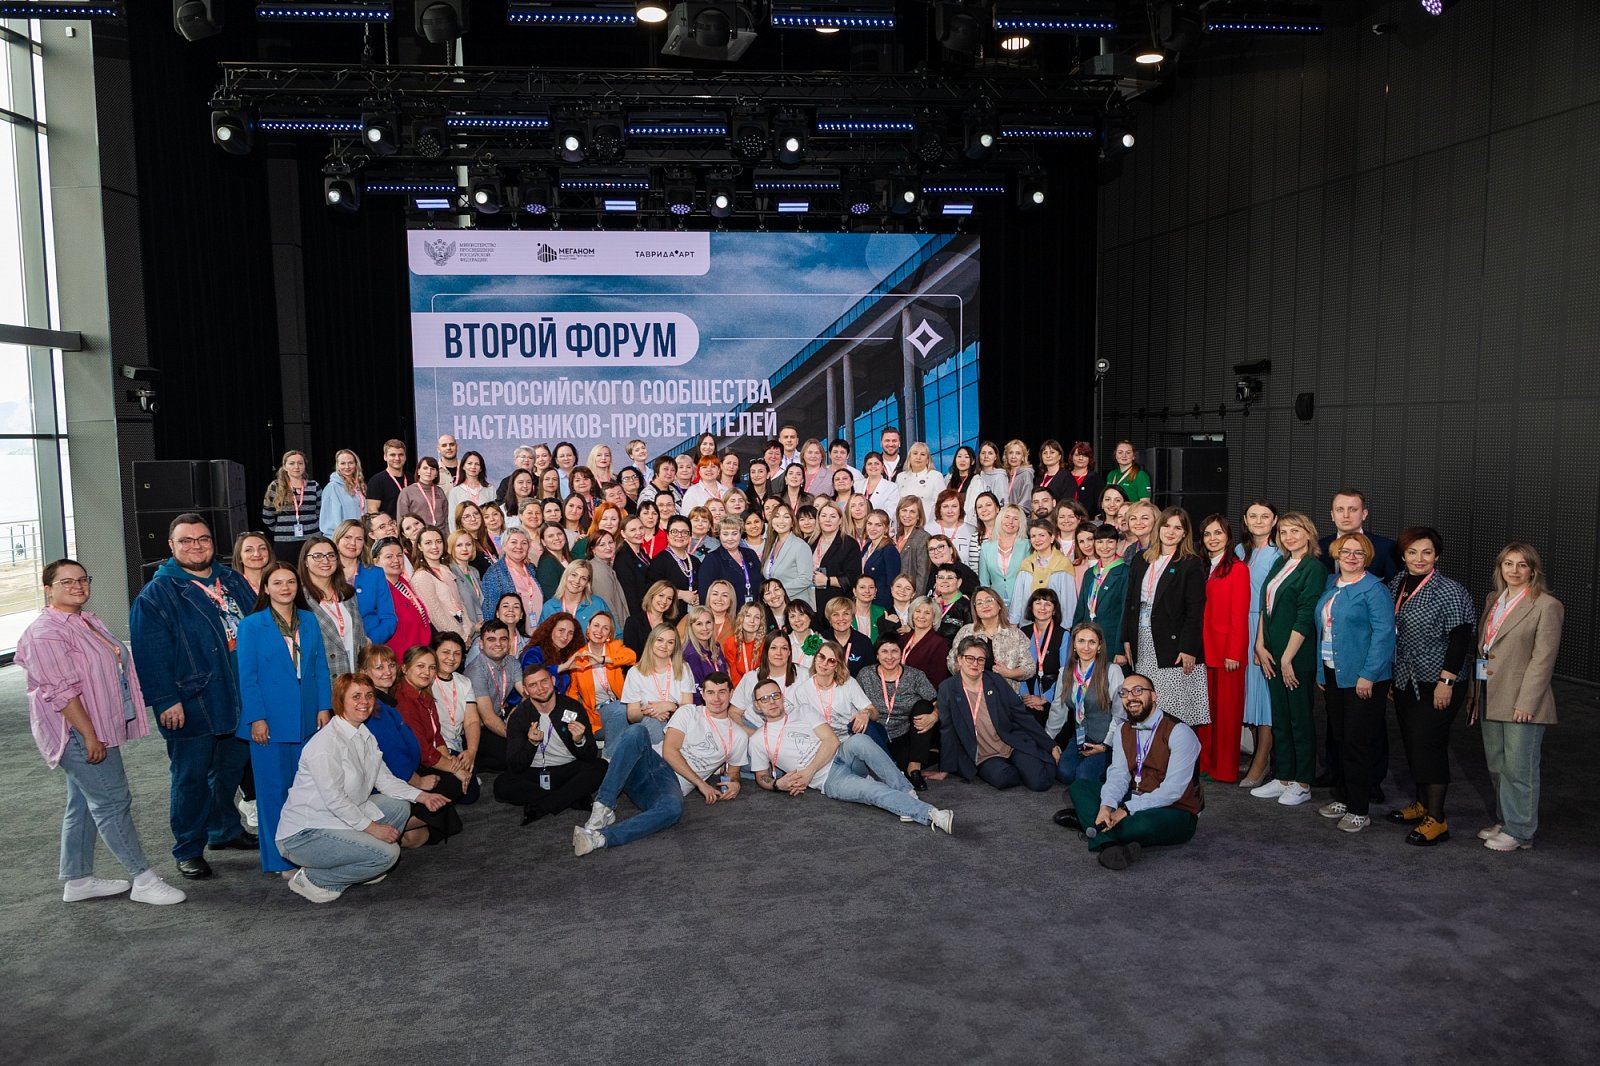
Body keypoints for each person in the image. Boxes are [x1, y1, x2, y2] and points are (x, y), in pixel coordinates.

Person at [17, 559, 187, 905]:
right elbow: (62, 693)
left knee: (83, 802)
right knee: (112, 801)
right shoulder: (45, 632)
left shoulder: (85, 620)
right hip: (77, 731)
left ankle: (78, 880)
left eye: (82, 579)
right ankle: (143, 879)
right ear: (48, 589)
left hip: (96, 727)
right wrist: (89, 736)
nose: (77, 586)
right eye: (66, 582)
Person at [129, 513, 258, 880]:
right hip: (192, 700)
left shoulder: (231, 579)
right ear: (171, 546)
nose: (196, 546)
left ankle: (224, 830)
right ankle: (187, 848)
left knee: (230, 770)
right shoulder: (157, 594)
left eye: (203, 539)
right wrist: (165, 700)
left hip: (239, 695)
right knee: (191, 778)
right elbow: (150, 655)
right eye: (186, 540)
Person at [274, 673, 453, 903]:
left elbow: (384, 780)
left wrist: (422, 796)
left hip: (337, 819)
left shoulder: (363, 733)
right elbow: (335, 800)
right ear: (340, 701)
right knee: (389, 855)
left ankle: (362, 862)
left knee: (399, 806)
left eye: (369, 695)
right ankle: (314, 878)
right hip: (305, 834)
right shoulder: (325, 744)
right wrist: (372, 829)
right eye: (356, 696)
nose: (364, 702)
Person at [573, 672, 750, 856]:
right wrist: (701, 783)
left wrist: (735, 783)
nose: (717, 698)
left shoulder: (738, 736)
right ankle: (603, 806)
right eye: (711, 692)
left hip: (667, 786)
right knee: (637, 732)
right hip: (651, 763)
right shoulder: (689, 712)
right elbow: (670, 752)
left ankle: (599, 838)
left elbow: (733, 772)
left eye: (722, 692)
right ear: (703, 694)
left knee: (673, 809)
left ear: (731, 693)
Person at [750, 679, 954, 832]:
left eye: (775, 695)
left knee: (860, 740)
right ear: (757, 706)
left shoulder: (802, 711)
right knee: (872, 790)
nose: (772, 701)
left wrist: (808, 772)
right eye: (764, 699)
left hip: (841, 754)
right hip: (830, 779)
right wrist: (777, 784)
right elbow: (761, 776)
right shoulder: (758, 740)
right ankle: (932, 814)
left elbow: (831, 741)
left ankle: (906, 793)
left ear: (782, 697)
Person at [236, 561, 332, 874]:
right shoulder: (251, 625)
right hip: (270, 721)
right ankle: (278, 860)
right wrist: (256, 718)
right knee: (273, 793)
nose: (285, 588)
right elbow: (247, 677)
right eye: (277, 583)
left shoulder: (309, 619)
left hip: (306, 717)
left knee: (304, 790)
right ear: (265, 588)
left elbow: (319, 667)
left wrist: (324, 706)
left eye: (290, 582)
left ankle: (306, 853)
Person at [1385, 527, 1477, 846]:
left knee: (1430, 744)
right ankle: (1422, 804)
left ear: (1437, 555)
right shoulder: (1397, 583)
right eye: (1412, 552)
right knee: (1413, 742)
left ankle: (1437, 819)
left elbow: (1461, 638)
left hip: (1438, 680)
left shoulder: (1450, 590)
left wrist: (1446, 681)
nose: (1419, 558)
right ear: (1403, 555)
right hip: (1405, 677)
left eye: (1427, 552)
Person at [1061, 673, 1201, 870]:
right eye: (1124, 693)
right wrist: (1107, 806)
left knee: (1141, 825)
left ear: (1154, 696)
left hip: (1175, 810)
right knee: (1079, 787)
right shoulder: (1122, 730)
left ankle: (1091, 824)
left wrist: (1126, 809)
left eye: (1138, 690)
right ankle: (1108, 843)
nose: (1131, 697)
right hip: (1136, 795)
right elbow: (1118, 775)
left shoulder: (1180, 732)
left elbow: (1172, 792)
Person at [1475, 543, 1562, 853]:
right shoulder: (1493, 600)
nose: (1514, 570)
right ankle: (1506, 820)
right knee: (1497, 765)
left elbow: (1543, 660)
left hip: (1522, 701)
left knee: (1519, 769)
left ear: (1533, 570)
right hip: (1490, 694)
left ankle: (1521, 831)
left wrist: (1527, 703)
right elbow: (1484, 649)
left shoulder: (1546, 605)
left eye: (1522, 565)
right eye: (1508, 564)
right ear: (1500, 568)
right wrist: (1475, 693)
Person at [1313, 533, 1397, 834]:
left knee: (1357, 743)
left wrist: (1368, 675)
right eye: (1345, 551)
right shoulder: (1331, 585)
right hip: (1334, 673)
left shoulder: (1374, 589)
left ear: (1367, 557)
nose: (1351, 557)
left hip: (1363, 678)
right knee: (1340, 739)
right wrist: (1321, 672)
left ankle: (1359, 809)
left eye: (1358, 553)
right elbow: (1324, 632)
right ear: (1336, 554)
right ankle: (1344, 797)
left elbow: (1384, 635)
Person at [1249, 513, 1326, 808]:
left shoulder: (1313, 568)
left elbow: (1305, 616)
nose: (1289, 537)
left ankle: (1302, 782)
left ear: (1308, 533)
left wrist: (1286, 659)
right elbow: (1265, 607)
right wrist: (1260, 645)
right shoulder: (1280, 564)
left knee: (1299, 719)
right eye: (1283, 532)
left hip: (1295, 657)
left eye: (1295, 531)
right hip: (1272, 653)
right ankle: (1283, 776)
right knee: (1280, 718)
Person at [1120, 507, 1210, 729]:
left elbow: (1195, 610)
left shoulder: (1190, 563)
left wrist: (1188, 647)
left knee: (1174, 710)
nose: (1171, 532)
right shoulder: (1141, 559)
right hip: (1142, 640)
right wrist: (1127, 638)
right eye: (1167, 526)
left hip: (1174, 644)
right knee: (1146, 704)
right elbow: (1129, 602)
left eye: (1177, 528)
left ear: (1184, 533)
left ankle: (1178, 750)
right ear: (1158, 528)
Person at [938, 635, 1060, 790]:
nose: (975, 663)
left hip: (1010, 744)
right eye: (969, 658)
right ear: (959, 660)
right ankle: (1022, 768)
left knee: (1040, 782)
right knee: (1003, 779)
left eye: (980, 659)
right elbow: (947, 729)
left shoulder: (995, 681)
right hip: (984, 755)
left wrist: (1049, 744)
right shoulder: (947, 688)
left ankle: (1030, 764)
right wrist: (945, 768)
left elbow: (1021, 715)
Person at [496, 663, 607, 823]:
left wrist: (579, 740)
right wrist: (531, 743)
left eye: (544, 681)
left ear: (553, 681)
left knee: (600, 767)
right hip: (534, 772)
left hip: (567, 768)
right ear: (526, 690)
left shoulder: (572, 708)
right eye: (533, 685)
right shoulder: (519, 717)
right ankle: (571, 798)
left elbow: (590, 755)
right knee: (502, 785)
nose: (540, 688)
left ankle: (542, 806)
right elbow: (515, 765)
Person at [1199, 516, 1250, 783]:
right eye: (1208, 534)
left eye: (1218, 533)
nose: (1213, 538)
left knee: (1228, 715)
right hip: (1204, 649)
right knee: (1205, 712)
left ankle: (1225, 769)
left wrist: (1234, 652)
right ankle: (1205, 763)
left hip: (1227, 652)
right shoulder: (1202, 565)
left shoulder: (1238, 569)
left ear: (1228, 537)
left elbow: (1239, 615)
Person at [1047, 622, 1126, 791]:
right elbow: (1058, 709)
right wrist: (1048, 741)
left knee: (1083, 777)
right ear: (1074, 645)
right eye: (1081, 641)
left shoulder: (1112, 671)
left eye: (1092, 642)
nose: (1086, 647)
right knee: (1064, 774)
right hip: (1080, 738)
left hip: (1106, 741)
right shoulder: (1065, 672)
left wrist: (1106, 745)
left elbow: (1120, 714)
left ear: (1099, 646)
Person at [393, 645, 477, 803]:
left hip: (429, 755)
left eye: (432, 668)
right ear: (404, 668)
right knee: (456, 784)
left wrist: (449, 759)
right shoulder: (403, 700)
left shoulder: (425, 693)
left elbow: (436, 735)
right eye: (420, 666)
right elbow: (423, 750)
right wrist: (454, 769)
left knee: (470, 787)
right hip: (412, 765)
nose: (427, 672)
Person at [1236, 501, 1281, 788]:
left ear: (1275, 520)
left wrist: (1262, 639)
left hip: (1264, 626)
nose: (1259, 521)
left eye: (1265, 516)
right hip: (1241, 625)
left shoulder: (1280, 553)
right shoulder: (1240, 551)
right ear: (1245, 519)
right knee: (1248, 694)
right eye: (1253, 516)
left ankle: (1262, 761)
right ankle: (1255, 753)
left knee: (1264, 697)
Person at [856, 637, 939, 789]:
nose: (889, 656)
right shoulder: (865, 674)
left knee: (925, 706)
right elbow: (854, 702)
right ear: (877, 655)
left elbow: (936, 701)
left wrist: (934, 716)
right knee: (893, 765)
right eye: (884, 651)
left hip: (903, 732)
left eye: (894, 651)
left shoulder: (915, 676)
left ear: (901, 654)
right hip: (876, 732)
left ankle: (914, 768)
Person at [608, 623, 697, 744]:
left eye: (670, 642)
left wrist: (670, 706)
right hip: (648, 722)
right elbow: (632, 715)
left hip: (678, 722)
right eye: (660, 640)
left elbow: (688, 707)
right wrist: (652, 711)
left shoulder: (683, 668)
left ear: (675, 646)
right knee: (651, 723)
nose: (664, 646)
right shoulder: (635, 672)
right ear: (651, 641)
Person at [788, 640, 885, 749]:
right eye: (821, 657)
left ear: (838, 666)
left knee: (866, 730)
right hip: (822, 744)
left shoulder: (848, 683)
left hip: (850, 740)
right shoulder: (802, 691)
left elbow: (875, 714)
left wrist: (866, 713)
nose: (824, 663)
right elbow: (801, 726)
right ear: (815, 658)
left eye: (831, 661)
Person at [298, 535, 369, 680]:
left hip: (354, 677)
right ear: (305, 561)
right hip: (323, 680)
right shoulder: (299, 599)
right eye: (317, 556)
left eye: (331, 555)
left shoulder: (348, 594)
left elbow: (360, 638)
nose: (325, 561)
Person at [946, 586, 1035, 693]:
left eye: (989, 600)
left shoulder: (1016, 634)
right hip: (970, 693)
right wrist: (966, 671)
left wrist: (1010, 673)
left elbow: (1029, 668)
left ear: (999, 605)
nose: (985, 605)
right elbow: (951, 661)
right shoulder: (966, 631)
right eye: (979, 603)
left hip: (1005, 695)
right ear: (975, 609)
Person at [562, 611, 636, 737]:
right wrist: (569, 726)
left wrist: (602, 659)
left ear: (609, 634)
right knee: (623, 706)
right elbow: (571, 695)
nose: (599, 631)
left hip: (621, 709)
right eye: (596, 625)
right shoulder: (578, 658)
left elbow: (631, 657)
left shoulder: (614, 647)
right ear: (588, 628)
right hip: (597, 715)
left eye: (605, 628)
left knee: (640, 725)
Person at [465, 619, 516, 772]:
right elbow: (488, 719)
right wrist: (516, 737)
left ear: (509, 643)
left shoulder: (511, 662)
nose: (498, 644)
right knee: (512, 754)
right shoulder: (476, 670)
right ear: (481, 644)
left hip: (499, 714)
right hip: (477, 728)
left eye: (503, 639)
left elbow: (528, 692)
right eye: (491, 639)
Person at [430, 634, 481, 789]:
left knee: (472, 791)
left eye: (457, 653)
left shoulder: (464, 682)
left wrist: (471, 751)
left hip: (456, 746)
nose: (451, 658)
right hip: (434, 748)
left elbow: (472, 720)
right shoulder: (426, 679)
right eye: (446, 652)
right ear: (434, 653)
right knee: (458, 788)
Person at [732, 629, 809, 727]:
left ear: (789, 652)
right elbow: (734, 712)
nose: (779, 653)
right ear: (766, 651)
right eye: (773, 648)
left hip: (793, 729)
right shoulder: (750, 677)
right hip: (755, 728)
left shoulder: (804, 675)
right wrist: (748, 732)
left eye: (784, 648)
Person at [1318, 488, 1400, 580]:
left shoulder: (1385, 548)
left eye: (1352, 509)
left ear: (1364, 514)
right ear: (1332, 515)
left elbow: (1393, 585)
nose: (1346, 515)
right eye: (1340, 510)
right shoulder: (1319, 547)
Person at [368, 537, 432, 656]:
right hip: (396, 657)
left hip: (417, 654)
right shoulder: (376, 590)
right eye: (389, 556)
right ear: (376, 561)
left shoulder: (403, 583)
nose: (396, 560)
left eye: (399, 555)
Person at [1011, 519, 1076, 626]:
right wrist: (1013, 622)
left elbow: (1068, 601)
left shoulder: (1063, 563)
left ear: (1052, 538)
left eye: (1041, 535)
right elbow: (1018, 598)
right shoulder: (1026, 563)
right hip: (1028, 625)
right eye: (1033, 536)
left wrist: (1066, 627)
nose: (1037, 539)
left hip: (1056, 626)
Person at [1017, 588, 1067, 728]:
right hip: (1026, 693)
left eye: (1048, 604)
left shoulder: (1063, 635)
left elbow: (1066, 673)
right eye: (1038, 603)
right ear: (1031, 607)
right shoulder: (1022, 632)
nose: (1042, 608)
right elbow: (1018, 666)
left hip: (1053, 694)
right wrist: (1026, 696)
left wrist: (1044, 698)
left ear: (1054, 610)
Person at [261, 449, 320, 557]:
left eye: (300, 463)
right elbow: (267, 516)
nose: (296, 467)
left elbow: (320, 512)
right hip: (285, 543)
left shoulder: (314, 486)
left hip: (312, 540)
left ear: (304, 466)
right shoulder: (276, 486)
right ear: (284, 466)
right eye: (292, 463)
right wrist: (282, 529)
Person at [697, 515, 763, 608]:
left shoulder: (750, 554)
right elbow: (705, 595)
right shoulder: (712, 559)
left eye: (734, 533)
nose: (730, 538)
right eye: (725, 534)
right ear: (719, 535)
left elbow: (761, 583)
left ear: (740, 533)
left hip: (753, 611)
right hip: (727, 614)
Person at [480, 527, 543, 623]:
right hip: (511, 631)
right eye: (514, 542)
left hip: (539, 628)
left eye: (524, 543)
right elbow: (489, 611)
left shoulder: (531, 569)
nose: (519, 546)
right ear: (504, 546)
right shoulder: (494, 573)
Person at [761, 502, 815, 610]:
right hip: (776, 607)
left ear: (792, 523)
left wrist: (779, 592)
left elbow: (806, 578)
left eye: (786, 517)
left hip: (796, 607)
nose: (781, 521)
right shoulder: (771, 545)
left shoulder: (800, 545)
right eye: (776, 516)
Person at [648, 515, 702, 610]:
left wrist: (698, 597)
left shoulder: (695, 561)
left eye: (684, 532)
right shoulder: (659, 560)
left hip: (693, 614)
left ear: (690, 536)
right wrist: (680, 594)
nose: (679, 535)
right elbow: (653, 589)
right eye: (674, 531)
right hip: (668, 614)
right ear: (667, 535)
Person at [811, 500, 860, 599]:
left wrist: (828, 581)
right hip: (809, 600)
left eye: (833, 516)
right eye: (823, 516)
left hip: (835, 602)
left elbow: (853, 579)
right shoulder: (810, 542)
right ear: (818, 519)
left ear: (840, 520)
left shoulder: (850, 544)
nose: (827, 520)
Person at [899, 596, 952, 690]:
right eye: (918, 611)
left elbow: (937, 680)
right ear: (912, 614)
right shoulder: (903, 638)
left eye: (927, 613)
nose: (921, 616)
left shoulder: (939, 644)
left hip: (921, 695)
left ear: (934, 618)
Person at [679, 605, 729, 701]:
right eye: (699, 624)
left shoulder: (716, 647)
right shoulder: (690, 654)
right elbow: (696, 693)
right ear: (690, 627)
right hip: (701, 706)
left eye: (708, 622)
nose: (705, 628)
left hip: (721, 701)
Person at [926, 491, 978, 577]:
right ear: (939, 509)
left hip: (966, 579)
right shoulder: (928, 529)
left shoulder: (972, 530)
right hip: (936, 580)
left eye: (954, 506)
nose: (950, 511)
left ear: (960, 508)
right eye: (945, 506)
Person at [821, 596, 874, 676]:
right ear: (829, 619)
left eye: (845, 614)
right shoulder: (821, 639)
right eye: (835, 614)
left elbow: (869, 674)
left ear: (852, 617)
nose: (841, 618)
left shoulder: (864, 642)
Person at [319, 449, 367, 537]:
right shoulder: (332, 487)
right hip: (342, 538)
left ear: (356, 464)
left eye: (350, 463)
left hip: (359, 535)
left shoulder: (359, 485)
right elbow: (330, 522)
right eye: (343, 463)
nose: (347, 467)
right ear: (337, 465)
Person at [723, 602, 767, 690]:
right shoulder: (731, 643)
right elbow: (734, 675)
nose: (752, 621)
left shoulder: (766, 644)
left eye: (757, 617)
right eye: (748, 616)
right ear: (741, 618)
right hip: (740, 690)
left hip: (762, 689)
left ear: (761, 622)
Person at [446, 450, 493, 525]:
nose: (473, 467)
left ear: (481, 468)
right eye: (469, 463)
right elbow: (452, 519)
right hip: (464, 531)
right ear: (463, 466)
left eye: (477, 464)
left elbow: (495, 513)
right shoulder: (455, 492)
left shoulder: (490, 489)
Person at [366, 439, 410, 519]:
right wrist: (385, 525)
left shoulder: (412, 478)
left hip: (410, 525)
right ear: (385, 457)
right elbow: (372, 510)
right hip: (389, 526)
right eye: (392, 455)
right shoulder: (376, 481)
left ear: (405, 457)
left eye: (401, 455)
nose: (397, 458)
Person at [925, 534, 979, 598]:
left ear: (951, 550)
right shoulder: (932, 572)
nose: (936, 552)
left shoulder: (964, 572)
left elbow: (973, 598)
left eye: (940, 547)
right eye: (931, 549)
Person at [963, 441, 1008, 517]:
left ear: (995, 457)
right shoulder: (975, 476)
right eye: (983, 453)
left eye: (990, 453)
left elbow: (1002, 503)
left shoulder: (1000, 476)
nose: (986, 456)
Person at [930, 564, 973, 643]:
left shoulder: (966, 606)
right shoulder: (931, 605)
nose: (944, 581)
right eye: (940, 577)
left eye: (950, 578)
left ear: (959, 582)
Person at [232, 531, 274, 599]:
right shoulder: (233, 586)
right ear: (239, 557)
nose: (257, 554)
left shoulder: (280, 582)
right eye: (249, 550)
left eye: (262, 548)